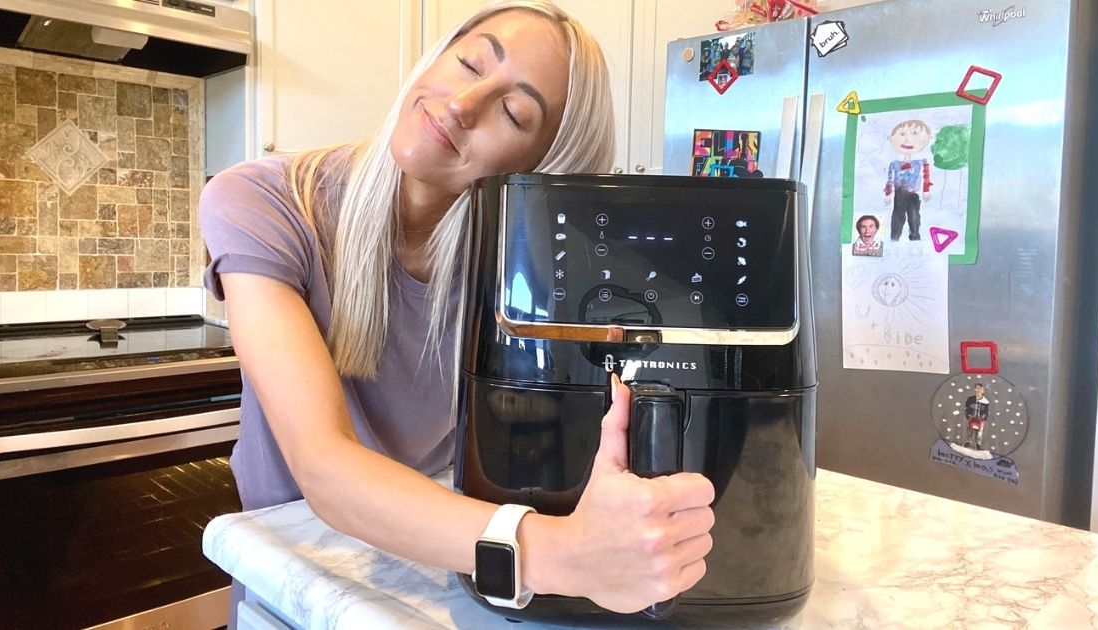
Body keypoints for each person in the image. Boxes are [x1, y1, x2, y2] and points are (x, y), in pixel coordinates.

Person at [199, 0, 715, 624]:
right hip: (297, 574)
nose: (461, 105)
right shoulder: (263, 200)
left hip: (435, 554)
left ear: (536, 171)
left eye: (512, 112)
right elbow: (323, 465)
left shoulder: (522, 272)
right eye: (470, 63)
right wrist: (558, 553)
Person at [883, 119, 932, 241]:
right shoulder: (894, 164)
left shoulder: (921, 163)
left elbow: (926, 176)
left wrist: (926, 191)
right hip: (899, 194)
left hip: (913, 194)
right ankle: (895, 237)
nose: (907, 140)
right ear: (891, 138)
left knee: (914, 216)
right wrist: (888, 194)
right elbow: (890, 179)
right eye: (902, 134)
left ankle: (915, 236)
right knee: (898, 216)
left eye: (914, 134)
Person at [964, 383, 990, 450]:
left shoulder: (985, 402)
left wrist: (983, 418)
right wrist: (968, 416)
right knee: (969, 431)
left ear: (983, 391)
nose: (979, 390)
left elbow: (986, 412)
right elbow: (966, 408)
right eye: (977, 388)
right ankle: (968, 442)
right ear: (974, 389)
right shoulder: (970, 399)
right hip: (971, 418)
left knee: (979, 433)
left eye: (980, 389)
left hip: (980, 419)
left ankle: (978, 445)